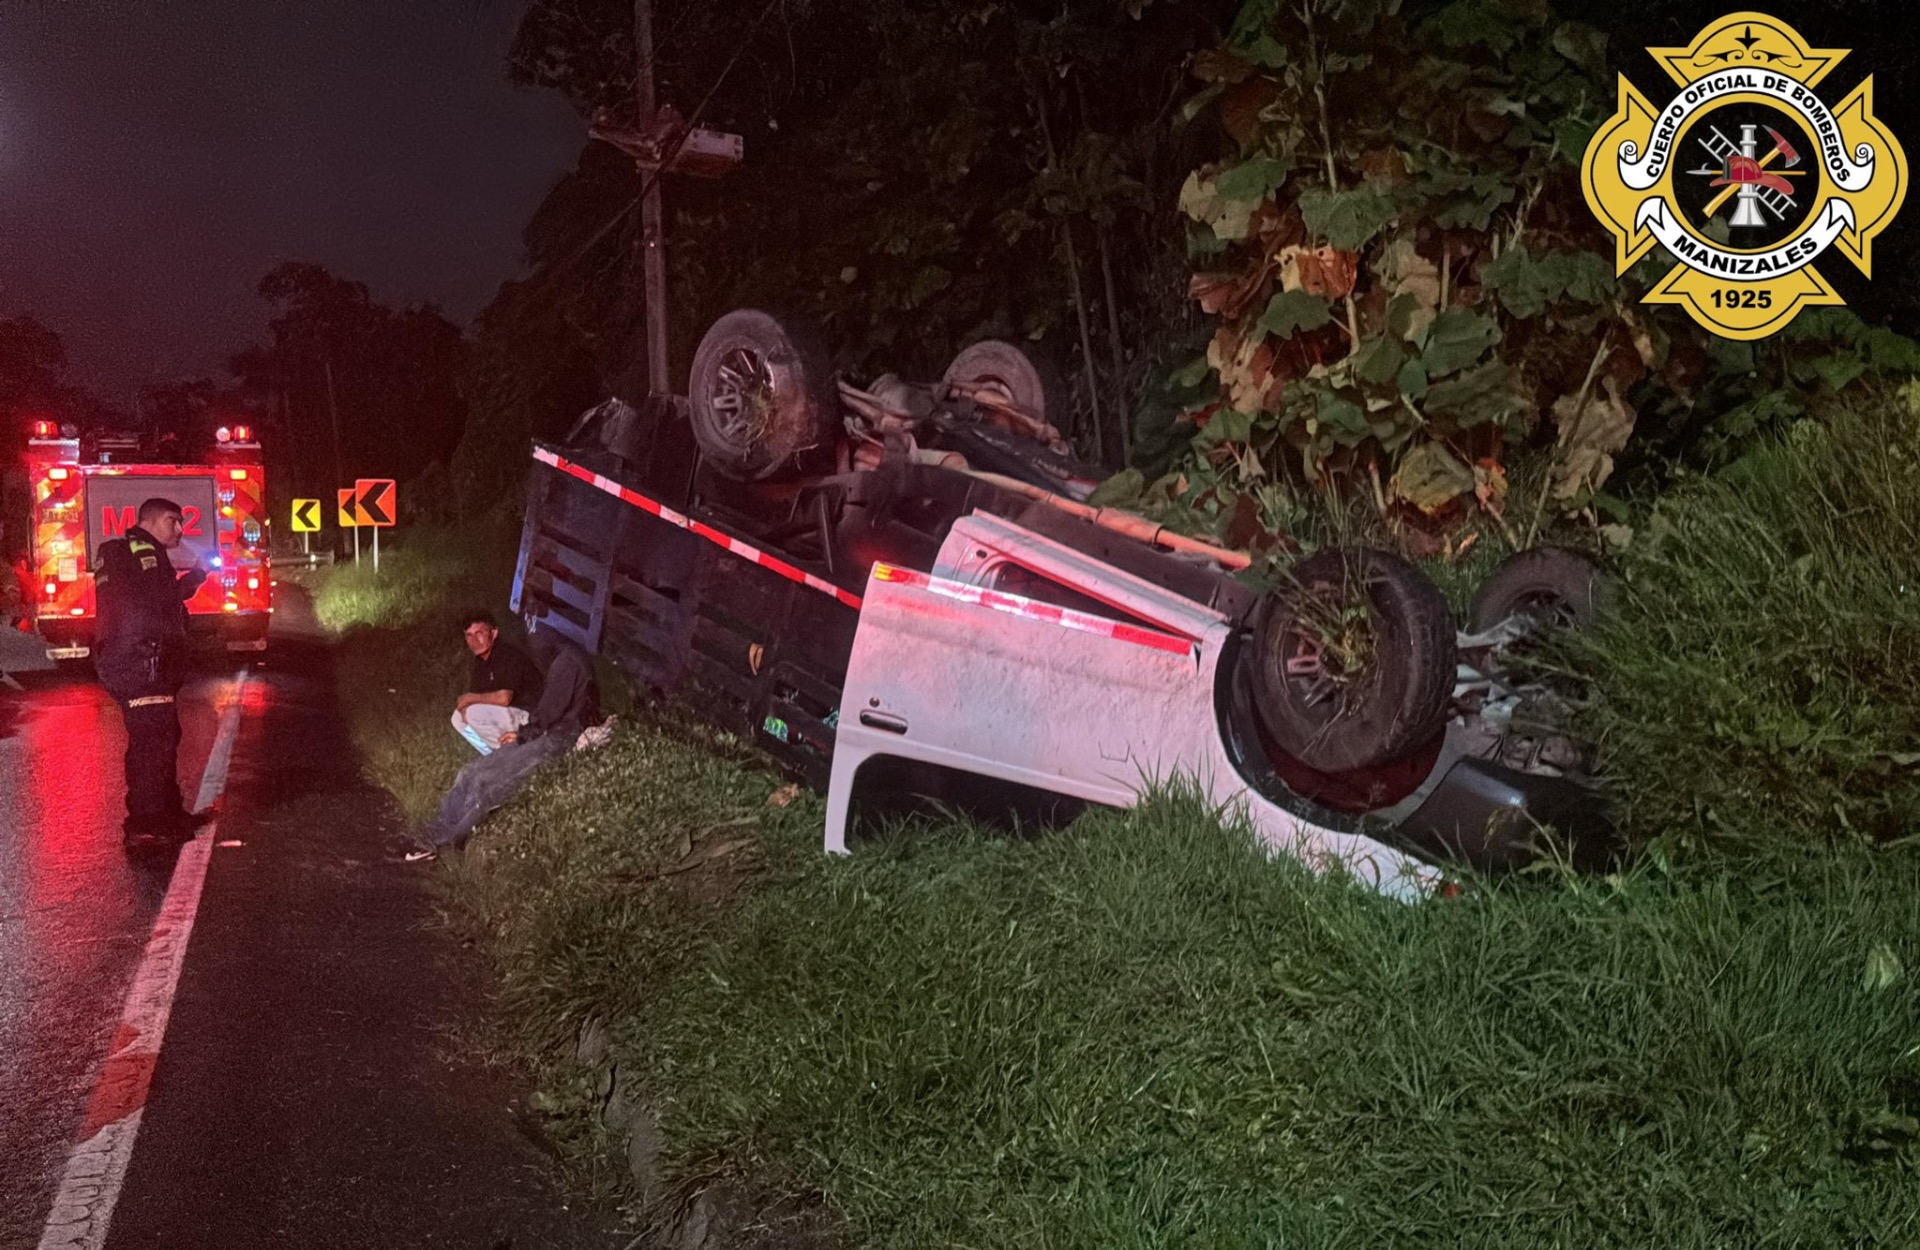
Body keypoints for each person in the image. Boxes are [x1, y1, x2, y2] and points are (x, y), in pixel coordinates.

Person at [407, 628, 606, 861]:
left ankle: (441, 843)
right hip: (546, 734)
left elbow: (551, 712)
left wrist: (523, 735)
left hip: (558, 742)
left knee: (487, 787)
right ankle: (434, 830)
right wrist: (524, 733)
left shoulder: (568, 663)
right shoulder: (564, 657)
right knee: (469, 772)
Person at [93, 497, 209, 849]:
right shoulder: (144, 551)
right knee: (152, 743)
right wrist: (197, 577)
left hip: (136, 658)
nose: (180, 529)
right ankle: (146, 824)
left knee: (163, 735)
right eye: (174, 521)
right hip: (142, 660)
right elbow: (159, 600)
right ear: (152, 521)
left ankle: (167, 814)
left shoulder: (127, 552)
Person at [452, 609, 542, 754]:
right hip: (507, 714)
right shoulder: (480, 662)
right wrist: (465, 707)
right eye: (469, 636)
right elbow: (477, 697)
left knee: (474, 712)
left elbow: (505, 698)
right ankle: (491, 754)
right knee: (457, 719)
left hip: (529, 714)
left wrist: (470, 699)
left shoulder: (506, 653)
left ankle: (509, 754)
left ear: (493, 633)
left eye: (479, 633)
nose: (474, 641)